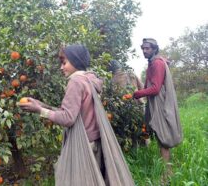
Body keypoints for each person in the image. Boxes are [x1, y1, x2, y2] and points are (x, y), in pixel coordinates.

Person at [19, 44, 134, 186]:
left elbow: (68, 118)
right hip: (94, 143)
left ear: (75, 61)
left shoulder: (76, 81)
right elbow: (74, 112)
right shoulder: (89, 80)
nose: (61, 68)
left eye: (64, 63)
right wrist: (42, 105)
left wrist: (40, 111)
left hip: (83, 145)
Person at [133, 38, 183, 182]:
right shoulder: (153, 63)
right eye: (143, 48)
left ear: (154, 49)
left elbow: (155, 88)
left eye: (147, 48)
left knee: (163, 137)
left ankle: (167, 174)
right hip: (156, 102)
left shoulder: (157, 63)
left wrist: (137, 94)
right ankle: (167, 170)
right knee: (161, 136)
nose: (144, 51)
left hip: (160, 103)